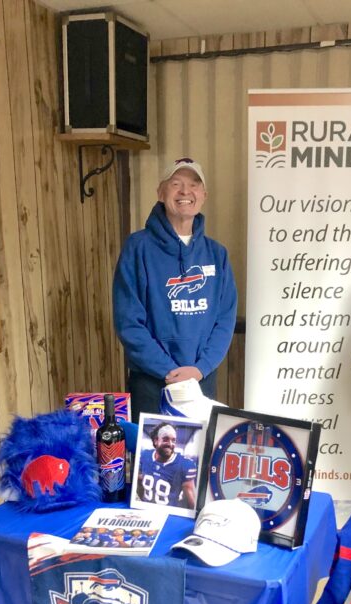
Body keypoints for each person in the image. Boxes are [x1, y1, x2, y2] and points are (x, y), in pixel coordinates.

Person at [113, 158, 238, 421]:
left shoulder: (217, 254)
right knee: (154, 449)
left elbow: (225, 320)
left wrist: (200, 368)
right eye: (176, 184)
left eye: (194, 185)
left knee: (198, 447)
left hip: (200, 380)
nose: (185, 192)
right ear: (161, 192)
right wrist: (168, 371)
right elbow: (128, 321)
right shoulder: (138, 248)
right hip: (152, 381)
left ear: (203, 195)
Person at [138, 422, 196, 509]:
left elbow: (192, 503)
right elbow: (139, 482)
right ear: (156, 441)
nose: (170, 444)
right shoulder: (145, 455)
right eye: (165, 439)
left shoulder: (184, 465)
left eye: (173, 440)